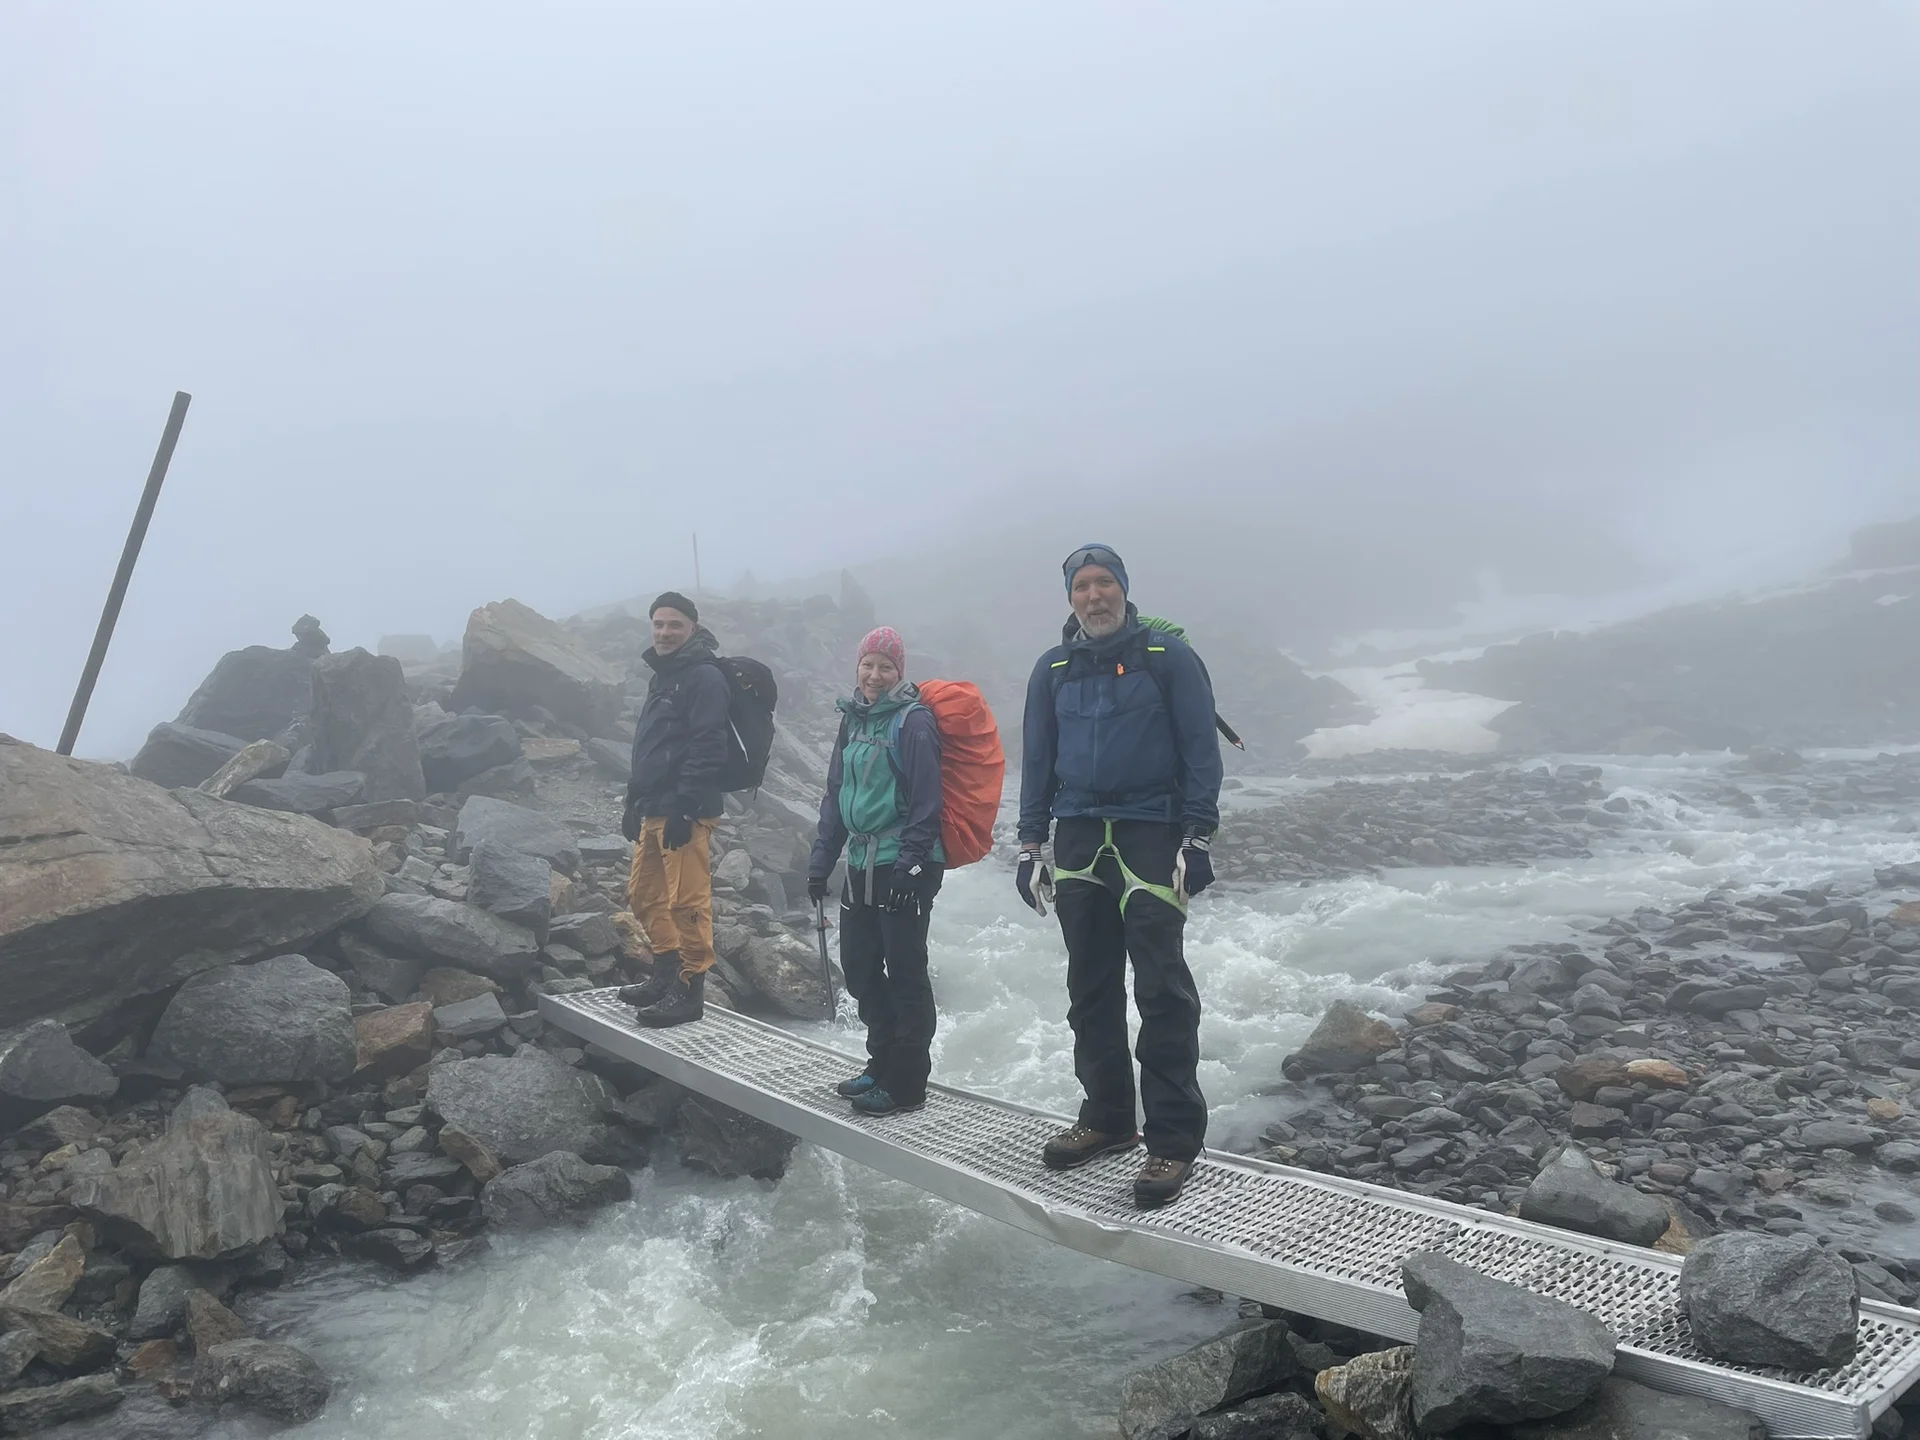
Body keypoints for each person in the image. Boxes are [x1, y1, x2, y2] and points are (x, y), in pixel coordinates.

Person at [1016, 544, 1223, 1209]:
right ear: (1070, 598)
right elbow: (1038, 760)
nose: (1095, 595)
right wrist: (1028, 846)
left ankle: (1172, 1141)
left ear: (1124, 590)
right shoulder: (1053, 669)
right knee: (1090, 986)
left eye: (1105, 583)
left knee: (1161, 988)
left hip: (1149, 832)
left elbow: (1200, 749)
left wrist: (1197, 838)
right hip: (1078, 835)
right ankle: (1107, 1120)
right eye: (1083, 586)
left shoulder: (1168, 659)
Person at [807, 626, 946, 1116]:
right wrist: (822, 862)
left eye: (885, 666)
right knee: (863, 969)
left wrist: (910, 868)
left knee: (906, 972)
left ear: (899, 673)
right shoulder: (854, 721)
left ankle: (907, 1084)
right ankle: (880, 1063)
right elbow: (835, 794)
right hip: (862, 863)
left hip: (903, 864)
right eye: (868, 664)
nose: (874, 674)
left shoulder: (914, 723)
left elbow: (928, 803)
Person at [617, 592, 730, 1028]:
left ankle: (689, 991)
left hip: (686, 810)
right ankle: (664, 973)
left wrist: (686, 807)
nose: (665, 633)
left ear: (693, 629)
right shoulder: (663, 675)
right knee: (643, 897)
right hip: (654, 807)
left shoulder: (704, 676)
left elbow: (708, 745)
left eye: (674, 625)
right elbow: (651, 742)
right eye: (659, 624)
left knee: (687, 903)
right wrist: (633, 799)